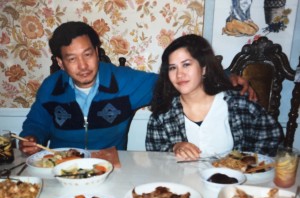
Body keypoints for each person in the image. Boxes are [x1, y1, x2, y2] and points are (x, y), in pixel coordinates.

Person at [19, 21, 255, 155]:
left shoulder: (123, 82)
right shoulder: (51, 87)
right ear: (60, 63)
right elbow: (36, 123)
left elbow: (173, 80)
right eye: (72, 59)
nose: (83, 66)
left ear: (97, 52)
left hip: (109, 167)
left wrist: (224, 76)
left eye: (88, 54)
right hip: (61, 165)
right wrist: (31, 137)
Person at [145, 34, 282, 160]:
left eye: (186, 64)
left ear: (204, 68)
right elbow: (155, 158)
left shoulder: (237, 104)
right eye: (172, 68)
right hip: (184, 184)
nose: (179, 74)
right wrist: (173, 148)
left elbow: (271, 135)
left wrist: (247, 165)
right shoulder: (162, 116)